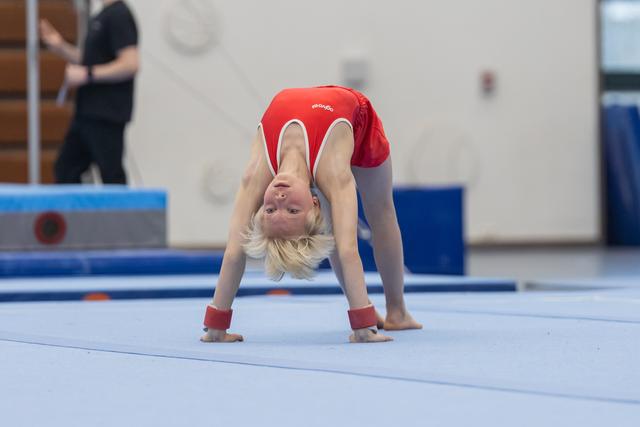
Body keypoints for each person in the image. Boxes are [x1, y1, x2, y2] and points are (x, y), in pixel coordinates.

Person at [201, 85, 422, 343]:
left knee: (358, 223)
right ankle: (397, 310)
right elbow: (348, 249)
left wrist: (215, 329)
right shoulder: (335, 174)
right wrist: (363, 327)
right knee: (379, 211)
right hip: (359, 119)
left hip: (331, 118)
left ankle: (396, 311)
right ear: (315, 203)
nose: (280, 198)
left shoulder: (256, 174)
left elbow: (234, 251)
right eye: (292, 210)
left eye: (270, 209)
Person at [39, 0, 139, 184]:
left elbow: (130, 63)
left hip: (106, 114)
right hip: (87, 113)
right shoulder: (101, 16)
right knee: (66, 169)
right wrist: (61, 47)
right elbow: (91, 60)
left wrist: (88, 74)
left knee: (111, 174)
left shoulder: (119, 15)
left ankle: (120, 212)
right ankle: (76, 212)